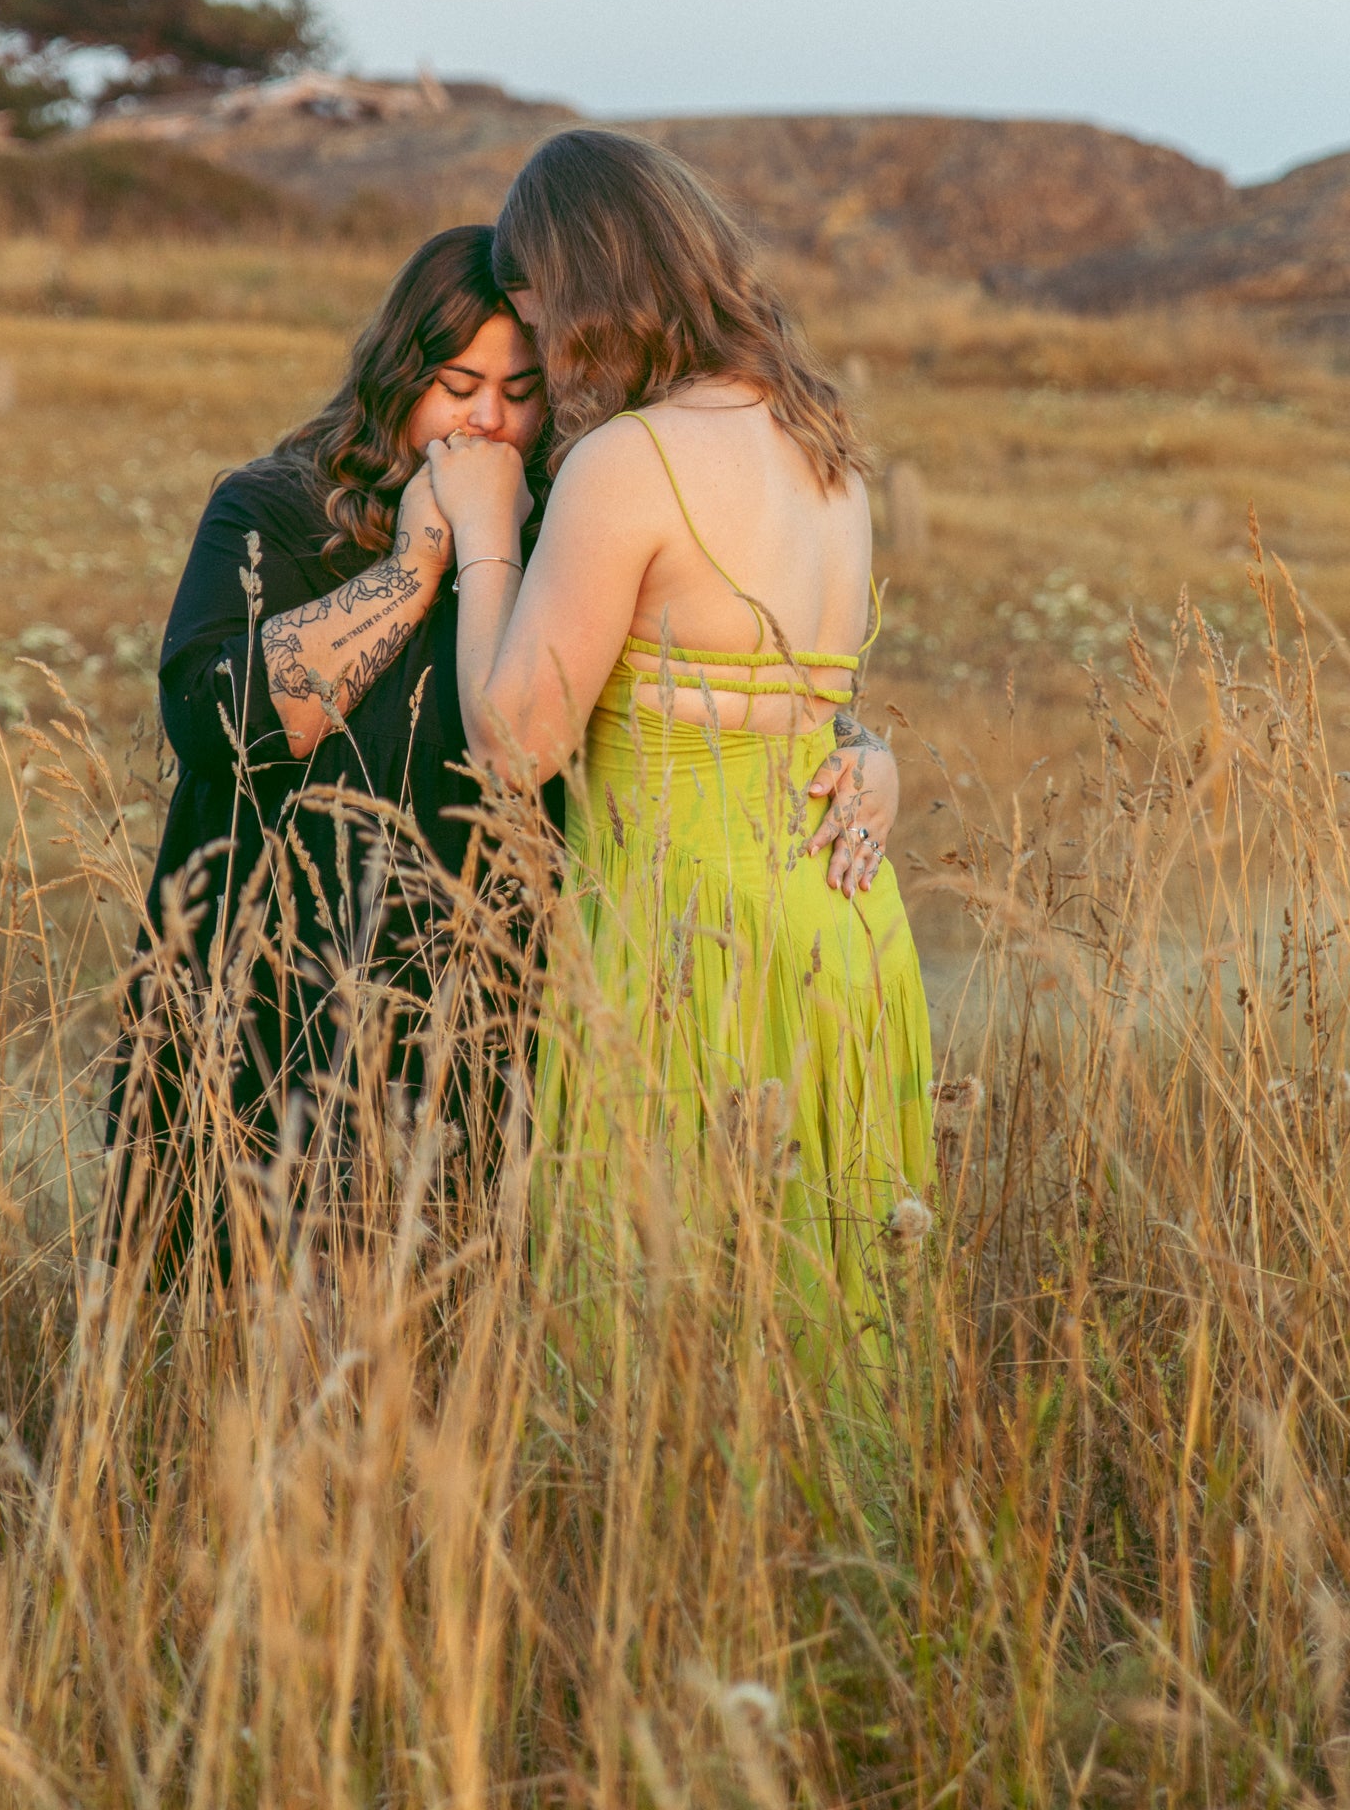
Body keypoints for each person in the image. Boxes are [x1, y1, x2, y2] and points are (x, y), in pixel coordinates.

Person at [103, 221, 900, 1273]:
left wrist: (856, 748)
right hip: (274, 998)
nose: (487, 419)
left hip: (490, 1019)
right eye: (457, 382)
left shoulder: (558, 515)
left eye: (523, 391)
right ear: (397, 375)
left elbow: (678, 689)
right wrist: (416, 568)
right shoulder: (278, 507)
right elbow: (218, 727)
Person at [425, 134, 933, 1362]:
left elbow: (513, 745)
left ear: (581, 286)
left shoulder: (626, 464)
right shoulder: (825, 452)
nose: (534, 347)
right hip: (846, 925)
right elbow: (806, 708)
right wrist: (875, 752)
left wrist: (487, 533)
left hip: (683, 941)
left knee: (665, 1345)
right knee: (830, 1324)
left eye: (535, 314)